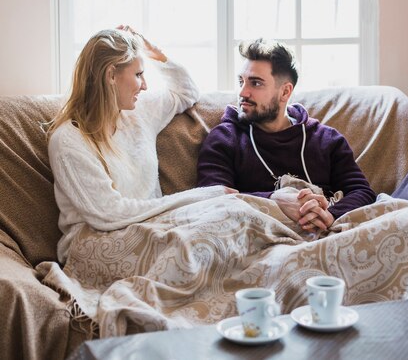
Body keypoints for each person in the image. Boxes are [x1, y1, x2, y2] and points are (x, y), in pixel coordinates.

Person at [47, 26, 232, 263]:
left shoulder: (138, 113)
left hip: (151, 229)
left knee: (229, 221)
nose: (144, 85)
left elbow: (187, 92)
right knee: (199, 247)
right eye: (138, 75)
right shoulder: (68, 141)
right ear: (111, 75)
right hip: (95, 243)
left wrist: (153, 52)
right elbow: (109, 214)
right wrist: (201, 197)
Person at [197, 38, 376, 232]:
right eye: (241, 81)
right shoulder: (224, 139)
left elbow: (363, 192)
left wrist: (330, 215)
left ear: (285, 92)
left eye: (255, 83)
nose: (243, 92)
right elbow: (212, 199)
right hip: (258, 239)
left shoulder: (327, 140)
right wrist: (273, 201)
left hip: (328, 234)